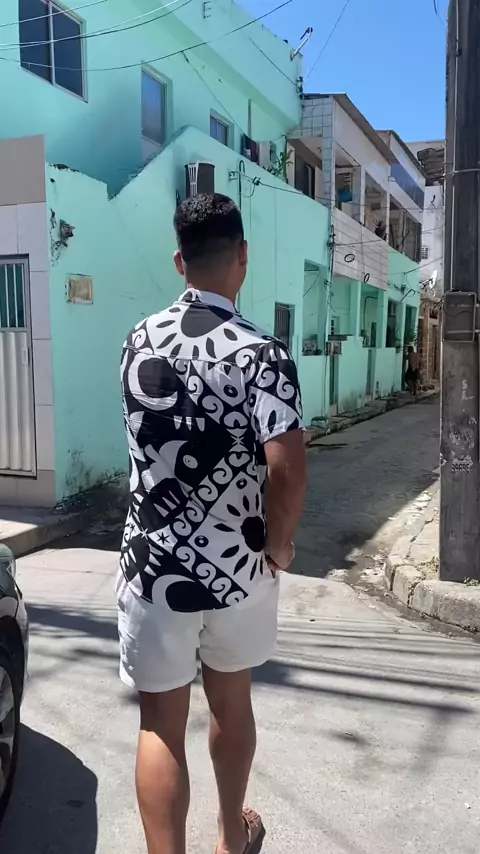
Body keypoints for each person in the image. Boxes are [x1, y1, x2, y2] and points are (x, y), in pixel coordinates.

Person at [117, 193, 307, 854]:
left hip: (154, 564)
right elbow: (287, 470)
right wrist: (279, 548)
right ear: (243, 257)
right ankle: (231, 839)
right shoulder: (263, 354)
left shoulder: (137, 342)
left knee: (160, 725)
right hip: (238, 570)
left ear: (180, 261)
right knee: (231, 701)